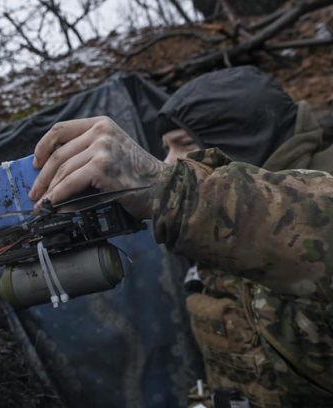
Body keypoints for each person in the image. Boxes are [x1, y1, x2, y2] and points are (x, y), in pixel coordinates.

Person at [28, 66, 333, 407]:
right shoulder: (210, 234)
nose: (169, 161)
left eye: (184, 145)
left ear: (245, 140)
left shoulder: (311, 199)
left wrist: (170, 191)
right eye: (166, 148)